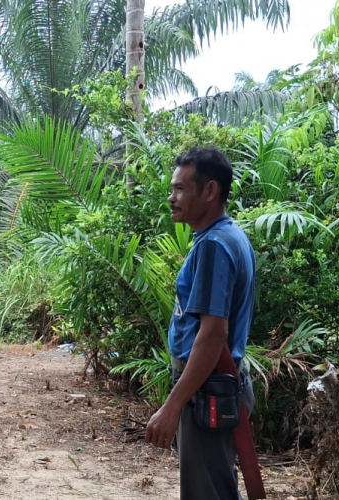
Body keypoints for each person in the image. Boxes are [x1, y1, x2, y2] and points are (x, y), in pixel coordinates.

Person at [145, 146, 256, 500]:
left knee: (208, 493)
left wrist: (174, 405)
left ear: (209, 191)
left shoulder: (214, 246)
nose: (171, 197)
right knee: (217, 487)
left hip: (208, 389)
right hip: (218, 384)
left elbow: (212, 334)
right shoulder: (230, 237)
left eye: (180, 188)